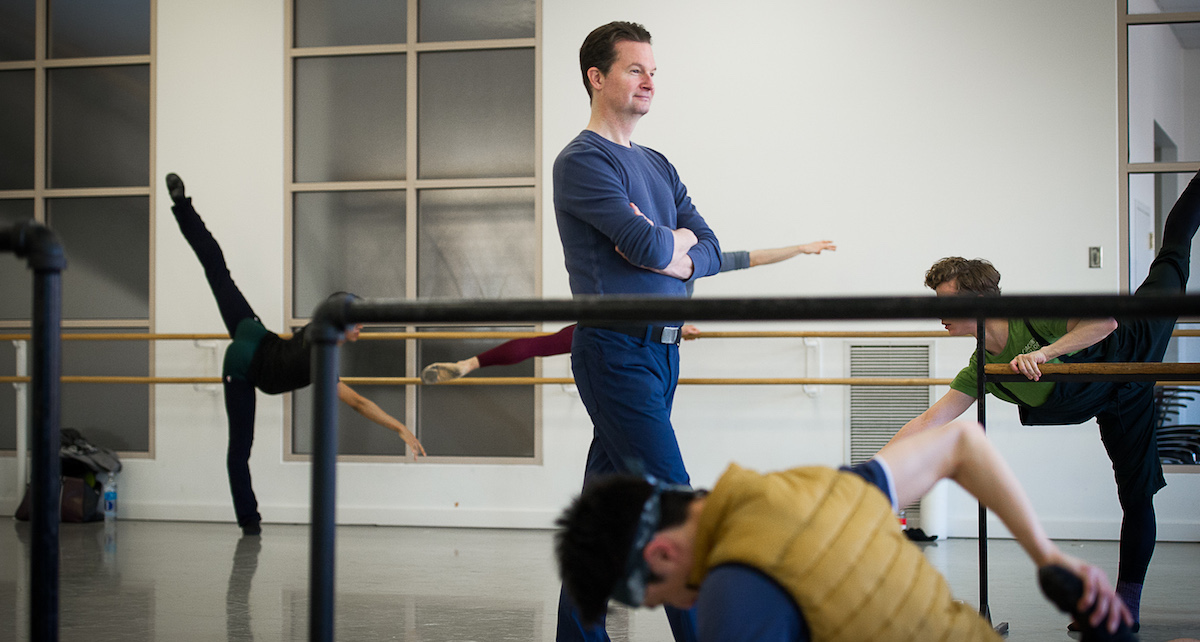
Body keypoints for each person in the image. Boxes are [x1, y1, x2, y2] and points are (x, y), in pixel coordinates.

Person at [888, 169, 1200, 631]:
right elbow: (930, 421)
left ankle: (1126, 603)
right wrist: (872, 471)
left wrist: (1046, 352)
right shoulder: (982, 367)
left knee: (1173, 250)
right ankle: (1116, 608)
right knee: (1133, 495)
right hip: (1112, 403)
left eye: (946, 302)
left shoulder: (1031, 315)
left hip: (1134, 346)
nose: (938, 314)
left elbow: (1105, 323)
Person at [554, 419, 1133, 641]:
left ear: (660, 552)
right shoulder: (810, 486)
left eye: (661, 599)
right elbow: (962, 443)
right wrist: (1049, 557)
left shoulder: (730, 598)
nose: (682, 604)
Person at [552, 21, 723, 641]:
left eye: (654, 71)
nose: (649, 81)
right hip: (615, 353)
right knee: (678, 506)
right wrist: (667, 244)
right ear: (597, 78)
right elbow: (648, 243)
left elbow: (708, 247)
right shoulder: (581, 161)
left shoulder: (656, 163)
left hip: (664, 354)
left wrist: (671, 247)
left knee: (605, 514)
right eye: (634, 69)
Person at [165, 173, 426, 536]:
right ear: (343, 325)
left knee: (217, 271)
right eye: (359, 323)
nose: (362, 328)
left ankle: (182, 206)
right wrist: (399, 426)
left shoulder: (318, 331)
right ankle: (249, 523)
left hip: (254, 333)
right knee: (239, 449)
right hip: (244, 364)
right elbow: (359, 403)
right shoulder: (321, 356)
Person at [420, 242, 836, 384]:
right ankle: (468, 363)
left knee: (542, 345)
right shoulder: (655, 254)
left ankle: (469, 362)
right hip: (624, 336)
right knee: (542, 345)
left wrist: (799, 248)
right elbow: (751, 258)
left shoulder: (694, 259)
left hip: (644, 335)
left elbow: (753, 258)